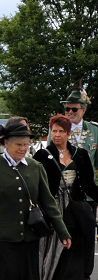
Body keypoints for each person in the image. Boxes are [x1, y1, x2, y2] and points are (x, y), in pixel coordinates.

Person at [0, 123, 72, 279]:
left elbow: (48, 203)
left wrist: (62, 232)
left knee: (28, 275)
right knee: (7, 273)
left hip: (30, 235)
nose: (23, 148)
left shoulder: (36, 167)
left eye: (26, 145)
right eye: (18, 144)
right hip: (4, 236)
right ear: (6, 143)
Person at [34, 115, 98, 279]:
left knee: (74, 248)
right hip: (52, 207)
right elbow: (34, 183)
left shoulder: (81, 154)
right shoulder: (42, 155)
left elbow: (89, 185)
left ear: (68, 133)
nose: (57, 134)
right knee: (52, 246)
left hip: (74, 208)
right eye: (54, 131)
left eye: (61, 131)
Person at [59, 85, 98, 279]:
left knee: (88, 234)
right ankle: (68, 272)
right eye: (67, 109)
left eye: (74, 109)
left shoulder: (94, 131)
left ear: (83, 109)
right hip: (65, 192)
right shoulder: (58, 129)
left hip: (88, 193)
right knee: (68, 233)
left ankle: (85, 272)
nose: (70, 112)